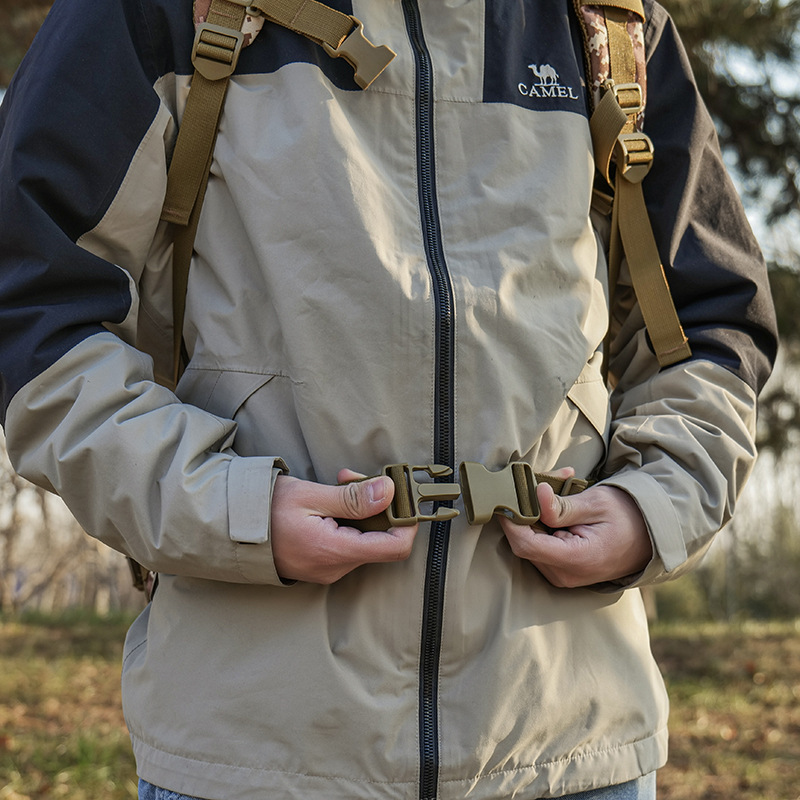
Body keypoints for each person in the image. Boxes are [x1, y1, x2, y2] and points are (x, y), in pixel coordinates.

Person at [0, 0, 777, 798]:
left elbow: (708, 327)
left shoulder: (610, 22)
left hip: (573, 746)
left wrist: (653, 506)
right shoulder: (152, 10)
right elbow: (36, 319)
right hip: (254, 752)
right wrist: (233, 509)